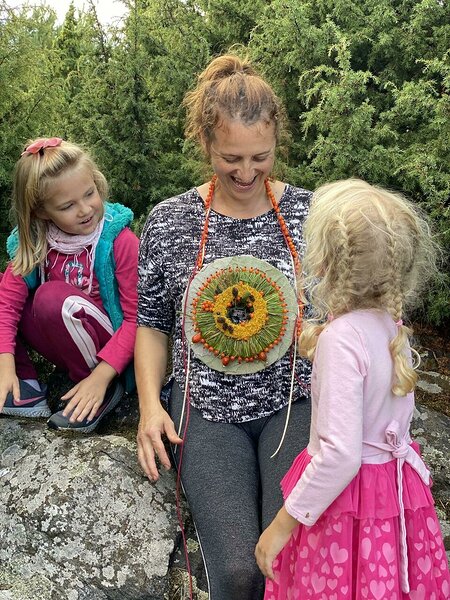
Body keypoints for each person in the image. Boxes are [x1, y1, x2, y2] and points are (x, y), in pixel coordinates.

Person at [135, 54, 312, 599]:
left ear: (278, 143)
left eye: (261, 156)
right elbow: (152, 324)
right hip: (205, 412)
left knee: (288, 557)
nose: (246, 172)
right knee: (238, 573)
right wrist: (150, 407)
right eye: (230, 158)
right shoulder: (169, 220)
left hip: (294, 403)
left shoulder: (313, 215)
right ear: (205, 143)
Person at [255, 178, 450, 599]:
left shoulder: (342, 338)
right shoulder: (391, 327)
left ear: (326, 262)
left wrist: (282, 524)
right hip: (394, 492)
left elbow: (341, 454)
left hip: (349, 503)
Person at [0, 137, 138, 433]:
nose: (85, 209)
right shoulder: (39, 241)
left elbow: (136, 320)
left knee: (51, 298)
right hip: (63, 335)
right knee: (8, 290)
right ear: (41, 211)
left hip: (109, 348)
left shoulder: (119, 241)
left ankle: (99, 389)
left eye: (90, 193)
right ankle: (24, 387)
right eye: (67, 206)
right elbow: (7, 301)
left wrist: (102, 375)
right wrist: (5, 361)